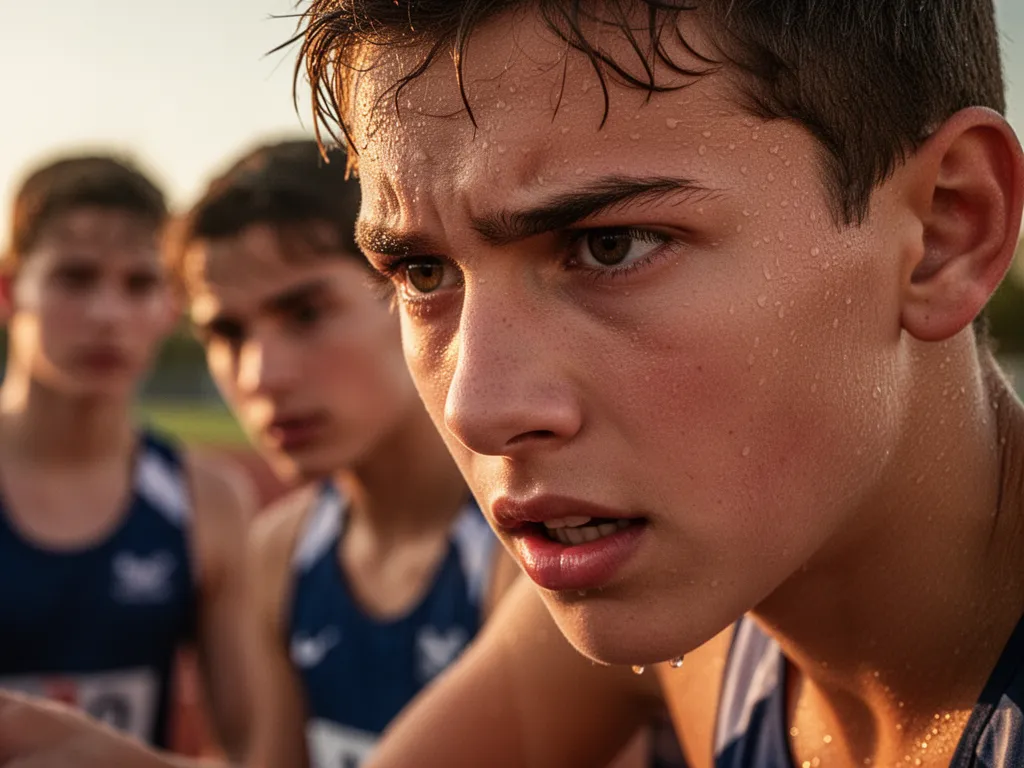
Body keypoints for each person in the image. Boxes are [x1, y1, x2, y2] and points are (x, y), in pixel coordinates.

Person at [3, 0, 1023, 766]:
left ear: (943, 231)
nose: (475, 406)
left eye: (609, 245)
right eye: (421, 273)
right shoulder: (673, 599)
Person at [179, 138, 523, 768]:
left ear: (414, 284)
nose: (260, 375)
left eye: (306, 313)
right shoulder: (279, 551)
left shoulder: (533, 542)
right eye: (227, 333)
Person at [0, 154, 255, 758]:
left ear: (172, 304)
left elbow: (249, 753)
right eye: (75, 278)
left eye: (140, 284)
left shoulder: (207, 500)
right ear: (10, 290)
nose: (107, 315)